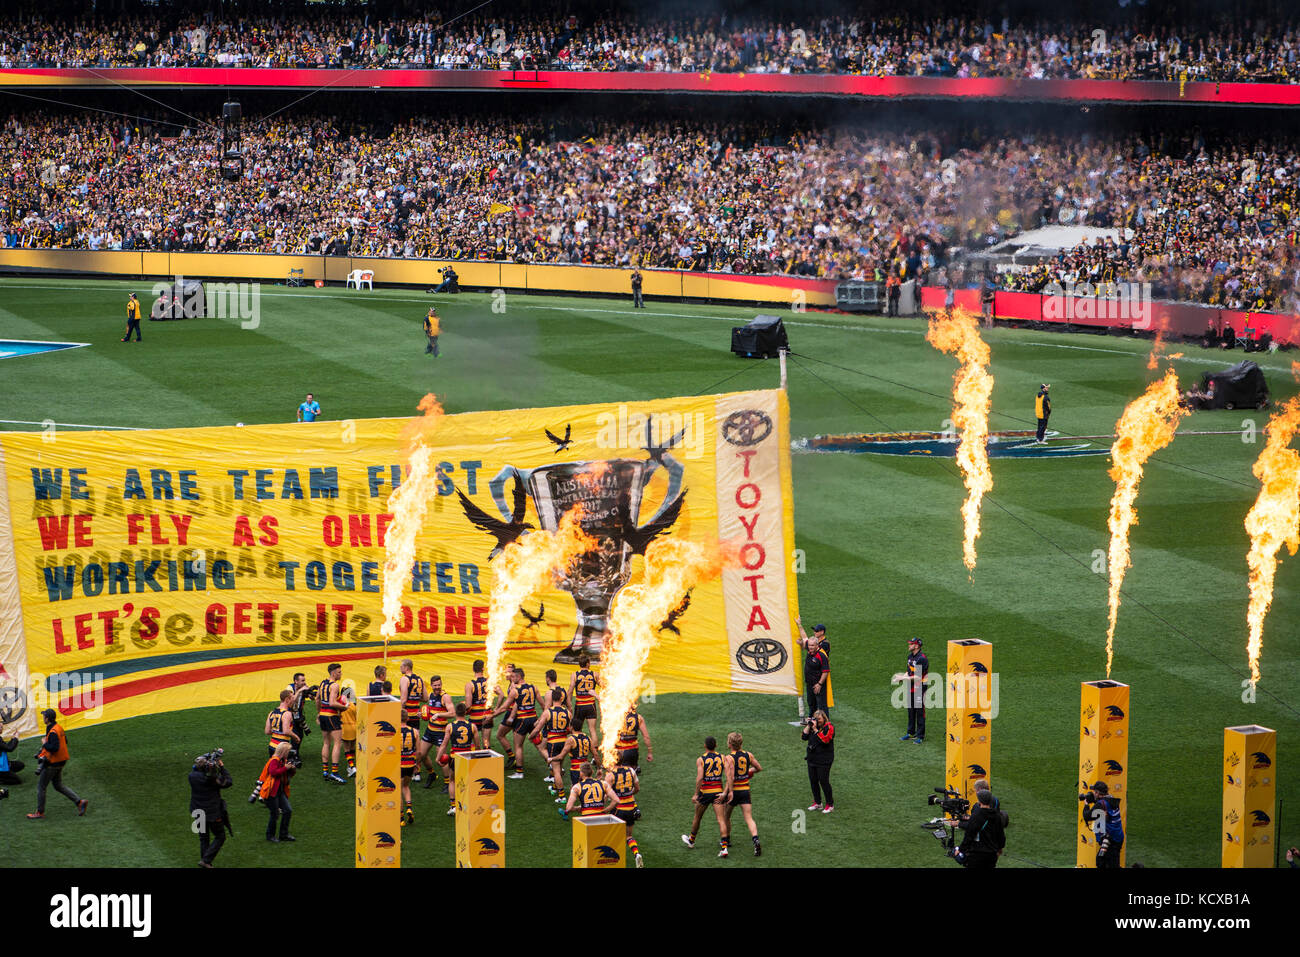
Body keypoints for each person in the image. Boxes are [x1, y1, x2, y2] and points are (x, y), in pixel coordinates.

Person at [26, 709, 87, 820]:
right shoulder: (57, 727)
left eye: (44, 716)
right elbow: (65, 741)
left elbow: (54, 748)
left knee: (41, 787)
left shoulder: (53, 731)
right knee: (58, 785)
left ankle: (40, 812)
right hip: (61, 761)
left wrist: (45, 744)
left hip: (53, 763)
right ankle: (79, 802)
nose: (43, 717)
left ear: (48, 718)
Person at [681, 736, 730, 856]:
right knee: (721, 820)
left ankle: (691, 841)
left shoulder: (701, 759)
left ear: (705, 746)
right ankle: (724, 848)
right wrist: (725, 792)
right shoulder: (722, 758)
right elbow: (730, 777)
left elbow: (700, 778)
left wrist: (696, 794)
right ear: (716, 745)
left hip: (705, 793)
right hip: (718, 792)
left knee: (697, 817)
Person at [188, 749, 233, 867]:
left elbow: (199, 771)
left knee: (204, 838)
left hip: (197, 811)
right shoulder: (213, 780)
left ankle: (205, 861)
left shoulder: (191, 776)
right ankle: (206, 860)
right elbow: (228, 781)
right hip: (212, 813)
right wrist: (222, 767)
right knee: (220, 836)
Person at [723, 731, 762, 857]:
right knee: (749, 818)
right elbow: (758, 768)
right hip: (745, 791)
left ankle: (727, 840)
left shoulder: (728, 758)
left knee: (726, 816)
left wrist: (728, 792)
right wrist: (749, 772)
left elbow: (730, 777)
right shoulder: (748, 755)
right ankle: (755, 839)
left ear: (730, 744)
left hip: (734, 792)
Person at [435, 702, 476, 815]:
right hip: (468, 757)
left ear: (456, 713)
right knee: (467, 781)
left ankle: (454, 806)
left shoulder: (450, 726)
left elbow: (444, 744)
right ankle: (468, 804)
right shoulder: (472, 726)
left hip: (455, 757)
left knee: (452, 780)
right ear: (466, 712)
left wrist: (438, 758)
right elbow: (477, 745)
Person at [417, 674, 454, 790]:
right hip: (430, 730)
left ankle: (447, 783)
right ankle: (432, 774)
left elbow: (452, 713)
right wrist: (423, 714)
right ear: (432, 686)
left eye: (439, 685)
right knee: (421, 755)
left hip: (441, 732)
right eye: (435, 685)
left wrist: (439, 714)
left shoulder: (445, 697)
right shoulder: (431, 695)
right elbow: (431, 711)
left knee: (442, 759)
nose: (437, 687)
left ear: (441, 684)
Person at [607, 752, 644, 867]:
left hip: (617, 810)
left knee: (612, 835)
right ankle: (636, 854)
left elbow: (606, 794)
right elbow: (637, 788)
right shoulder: (631, 771)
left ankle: (613, 860)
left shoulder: (610, 775)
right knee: (628, 835)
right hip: (631, 808)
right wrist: (628, 794)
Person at [955, 787, 1006, 868]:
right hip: (992, 855)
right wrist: (1000, 848)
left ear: (979, 801)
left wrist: (960, 849)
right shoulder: (997, 815)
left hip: (977, 855)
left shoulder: (977, 815)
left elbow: (969, 835)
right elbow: (1001, 834)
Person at [258, 742, 297, 843]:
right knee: (274, 814)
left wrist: (292, 769)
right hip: (271, 793)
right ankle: (270, 835)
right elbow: (273, 772)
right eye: (288, 751)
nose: (289, 753)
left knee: (288, 810)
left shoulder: (283, 760)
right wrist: (286, 768)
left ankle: (283, 834)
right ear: (283, 751)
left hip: (279, 791)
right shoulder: (274, 761)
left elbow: (288, 776)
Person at [537, 688, 573, 798]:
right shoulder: (568, 713)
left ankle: (561, 796)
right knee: (559, 766)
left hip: (553, 743)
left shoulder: (548, 712)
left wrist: (533, 735)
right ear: (562, 699)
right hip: (564, 742)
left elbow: (540, 726)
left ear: (552, 698)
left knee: (556, 770)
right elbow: (570, 729)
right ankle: (554, 787)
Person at [317, 663, 348, 782]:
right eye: (339, 672)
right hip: (332, 716)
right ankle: (334, 772)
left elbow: (317, 699)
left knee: (326, 743)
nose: (341, 674)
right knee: (337, 743)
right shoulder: (334, 685)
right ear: (333, 673)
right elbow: (332, 703)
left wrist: (319, 712)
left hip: (323, 715)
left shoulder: (323, 683)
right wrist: (344, 707)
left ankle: (325, 771)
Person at [507, 668, 540, 780]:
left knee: (518, 746)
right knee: (539, 744)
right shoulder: (533, 687)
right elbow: (543, 704)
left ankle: (519, 772)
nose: (512, 678)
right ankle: (552, 765)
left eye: (513, 677)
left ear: (518, 677)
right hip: (534, 718)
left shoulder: (515, 690)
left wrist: (492, 715)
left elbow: (504, 707)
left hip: (522, 720)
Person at [896, 637, 929, 744]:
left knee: (919, 712)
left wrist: (903, 678)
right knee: (911, 711)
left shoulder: (922, 659)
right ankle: (911, 732)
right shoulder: (910, 657)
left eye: (911, 644)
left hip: (920, 688)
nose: (909, 645)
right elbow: (909, 671)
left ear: (917, 646)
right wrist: (901, 677)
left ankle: (920, 736)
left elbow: (918, 677)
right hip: (911, 687)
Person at [795, 617, 830, 715]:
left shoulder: (824, 646)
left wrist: (819, 684)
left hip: (818, 680)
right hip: (810, 682)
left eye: (816, 631)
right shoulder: (813, 647)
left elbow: (825, 670)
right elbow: (806, 640)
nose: (814, 632)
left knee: (821, 704)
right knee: (811, 703)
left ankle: (825, 724)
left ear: (822, 632)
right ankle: (812, 721)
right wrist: (799, 625)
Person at [802, 709, 835, 813]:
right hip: (812, 758)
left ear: (824, 718)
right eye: (816, 719)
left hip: (824, 759)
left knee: (823, 781)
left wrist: (816, 730)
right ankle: (818, 803)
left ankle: (830, 804)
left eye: (819, 719)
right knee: (813, 781)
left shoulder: (829, 727)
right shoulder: (812, 726)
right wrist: (808, 725)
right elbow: (804, 737)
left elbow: (825, 740)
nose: (818, 721)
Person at [1087, 780, 1125, 868]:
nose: (1093, 794)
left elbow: (1087, 816)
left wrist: (1086, 805)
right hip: (1115, 837)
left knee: (1110, 864)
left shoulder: (1102, 803)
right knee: (1101, 861)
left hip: (1112, 840)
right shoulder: (1111, 799)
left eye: (1094, 792)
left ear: (1097, 793)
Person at [398, 660, 425, 779]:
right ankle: (417, 772)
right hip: (416, 715)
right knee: (416, 744)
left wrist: (398, 712)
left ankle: (402, 769)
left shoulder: (404, 679)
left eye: (401, 666)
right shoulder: (419, 679)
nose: (400, 668)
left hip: (406, 715)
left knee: (403, 743)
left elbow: (403, 700)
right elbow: (426, 697)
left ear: (406, 667)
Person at [569, 656, 600, 743]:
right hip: (591, 705)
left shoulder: (574, 675)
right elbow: (605, 686)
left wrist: (569, 704)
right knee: (592, 730)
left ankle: (579, 747)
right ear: (587, 664)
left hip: (580, 706)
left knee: (576, 729)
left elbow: (570, 690)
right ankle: (595, 754)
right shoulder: (595, 674)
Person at [613, 702, 653, 771]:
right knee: (632, 774)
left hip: (620, 750)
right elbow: (646, 736)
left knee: (618, 773)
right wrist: (649, 752)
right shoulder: (639, 717)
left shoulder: (616, 716)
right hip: (634, 750)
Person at [264, 689, 300, 757]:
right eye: (292, 698)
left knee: (273, 766)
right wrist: (296, 737)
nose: (293, 700)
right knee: (287, 767)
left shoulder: (272, 713)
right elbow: (286, 731)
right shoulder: (287, 714)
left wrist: (277, 731)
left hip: (271, 746)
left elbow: (267, 731)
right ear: (287, 699)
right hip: (282, 748)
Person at [466, 659, 491, 748]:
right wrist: (495, 709)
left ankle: (477, 760)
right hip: (487, 715)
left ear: (473, 669)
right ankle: (488, 761)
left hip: (475, 717)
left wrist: (464, 710)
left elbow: (468, 705)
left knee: (475, 745)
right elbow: (501, 695)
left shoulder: (470, 684)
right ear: (483, 669)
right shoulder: (489, 681)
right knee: (486, 743)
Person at [399, 713, 418, 826]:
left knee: (398, 791)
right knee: (406, 786)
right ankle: (409, 808)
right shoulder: (415, 731)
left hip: (399, 764)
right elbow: (419, 751)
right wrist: (417, 764)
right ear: (408, 719)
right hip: (410, 763)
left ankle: (401, 818)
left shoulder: (394, 731)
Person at [339, 683, 358, 777]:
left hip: (345, 728)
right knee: (352, 748)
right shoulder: (354, 705)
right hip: (354, 728)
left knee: (346, 749)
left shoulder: (341, 706)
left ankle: (352, 767)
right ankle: (350, 767)